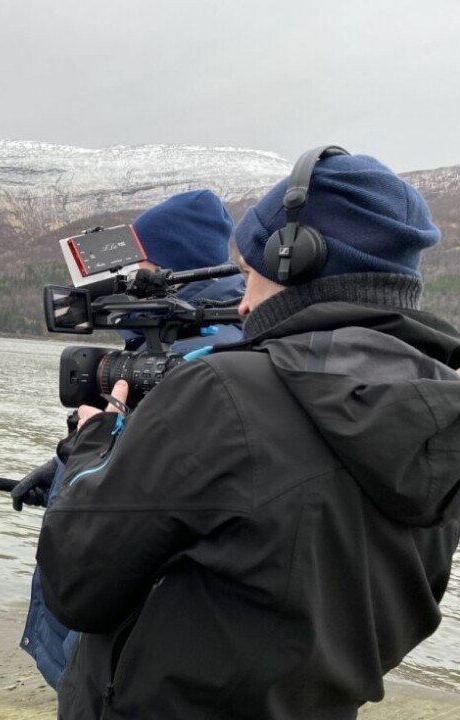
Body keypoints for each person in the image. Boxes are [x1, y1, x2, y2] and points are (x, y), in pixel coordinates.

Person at [36, 147, 460, 719]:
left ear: (295, 263)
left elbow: (76, 586)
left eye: (253, 275)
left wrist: (93, 445)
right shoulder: (441, 417)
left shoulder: (222, 393)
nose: (242, 301)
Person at [12, 189, 245, 690]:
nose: (121, 277)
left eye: (137, 263)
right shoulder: (159, 350)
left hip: (133, 646)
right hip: (101, 644)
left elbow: (145, 492)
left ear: (171, 266)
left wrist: (86, 451)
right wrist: (61, 468)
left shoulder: (211, 365)